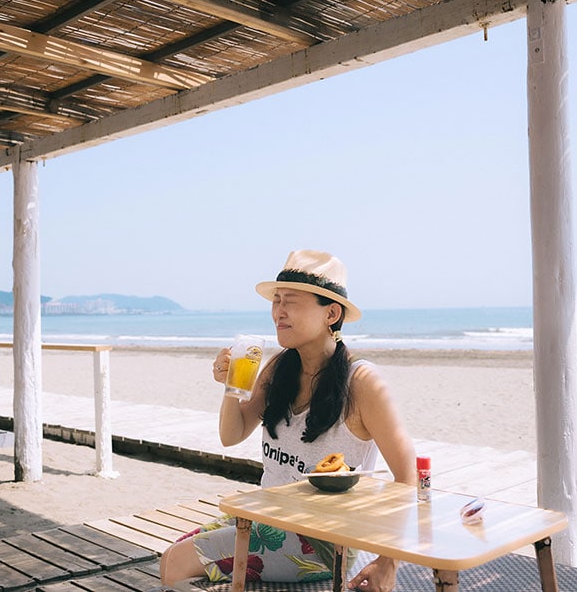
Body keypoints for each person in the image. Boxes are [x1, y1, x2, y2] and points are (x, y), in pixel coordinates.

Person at [159, 250, 417, 592]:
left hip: (324, 541)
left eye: (291, 301)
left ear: (332, 313)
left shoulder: (362, 382)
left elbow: (408, 475)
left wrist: (388, 562)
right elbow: (231, 435)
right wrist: (232, 387)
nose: (278, 312)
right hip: (268, 519)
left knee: (179, 563)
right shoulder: (280, 367)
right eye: (276, 300)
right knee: (169, 558)